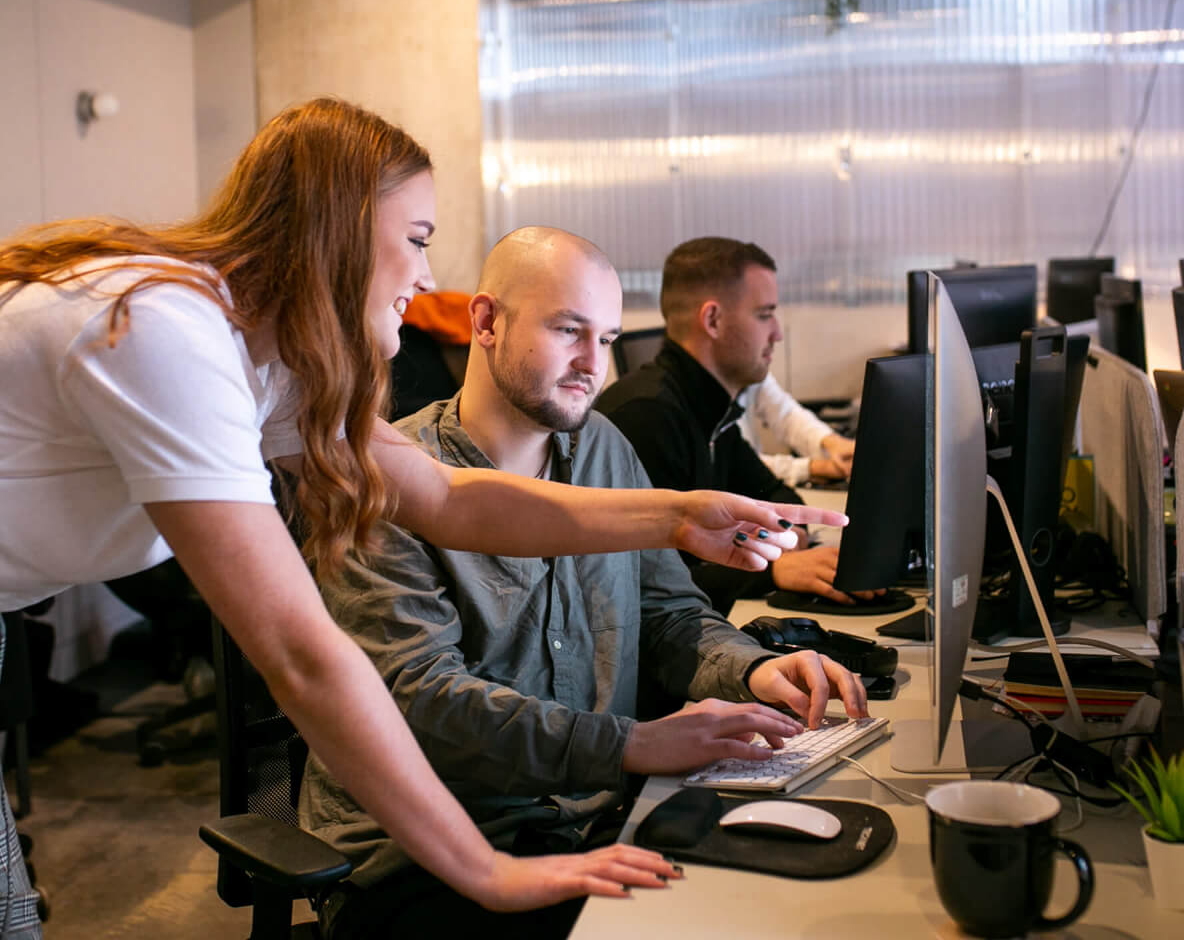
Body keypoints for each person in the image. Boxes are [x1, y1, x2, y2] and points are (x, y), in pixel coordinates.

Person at [0, 100, 830, 938]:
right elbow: (304, 655)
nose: (424, 277)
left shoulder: (274, 364)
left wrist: (675, 513)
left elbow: (455, 499)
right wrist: (485, 871)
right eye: (413, 240)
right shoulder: (168, 331)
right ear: (330, 228)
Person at [300, 227, 866, 939]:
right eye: (570, 331)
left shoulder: (603, 447)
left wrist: (754, 671)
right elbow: (423, 707)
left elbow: (667, 612)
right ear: (486, 322)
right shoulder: (387, 478)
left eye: (605, 340)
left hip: (590, 821)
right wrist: (629, 744)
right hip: (430, 855)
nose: (592, 365)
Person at [596, 238, 864, 614]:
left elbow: (775, 496)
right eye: (764, 314)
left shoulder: (708, 407)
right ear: (713, 320)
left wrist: (784, 540)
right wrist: (772, 570)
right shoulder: (647, 418)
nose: (777, 333)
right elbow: (643, 582)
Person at [737, 373, 855, 487]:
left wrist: (832, 442)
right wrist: (815, 468)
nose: (772, 351)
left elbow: (786, 414)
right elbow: (739, 464)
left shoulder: (754, 367)